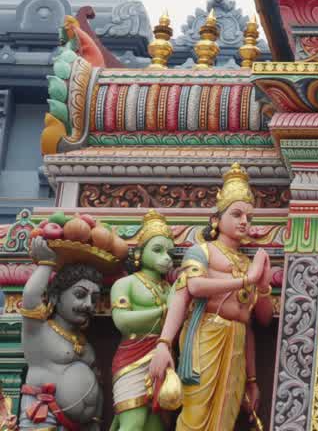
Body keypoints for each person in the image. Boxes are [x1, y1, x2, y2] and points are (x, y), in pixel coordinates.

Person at [148, 163, 274, 431]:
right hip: (205, 337)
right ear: (216, 219)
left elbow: (258, 321)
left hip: (237, 341)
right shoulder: (202, 251)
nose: (244, 221)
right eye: (237, 214)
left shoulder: (246, 262)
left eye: (249, 217)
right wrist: (164, 344)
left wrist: (263, 285)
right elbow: (191, 289)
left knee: (225, 418)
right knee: (196, 416)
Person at [20, 242, 104, 430]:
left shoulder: (85, 343)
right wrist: (46, 263)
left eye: (94, 299)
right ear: (55, 297)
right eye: (80, 295)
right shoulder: (39, 330)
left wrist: (96, 421)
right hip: (43, 418)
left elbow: (97, 386)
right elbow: (30, 297)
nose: (88, 304)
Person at [110, 210, 176, 431]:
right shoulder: (126, 284)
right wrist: (163, 310)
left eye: (169, 252)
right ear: (139, 252)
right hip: (132, 357)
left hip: (163, 358)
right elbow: (122, 321)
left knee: (155, 425)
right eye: (157, 250)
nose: (166, 257)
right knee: (133, 423)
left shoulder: (169, 288)